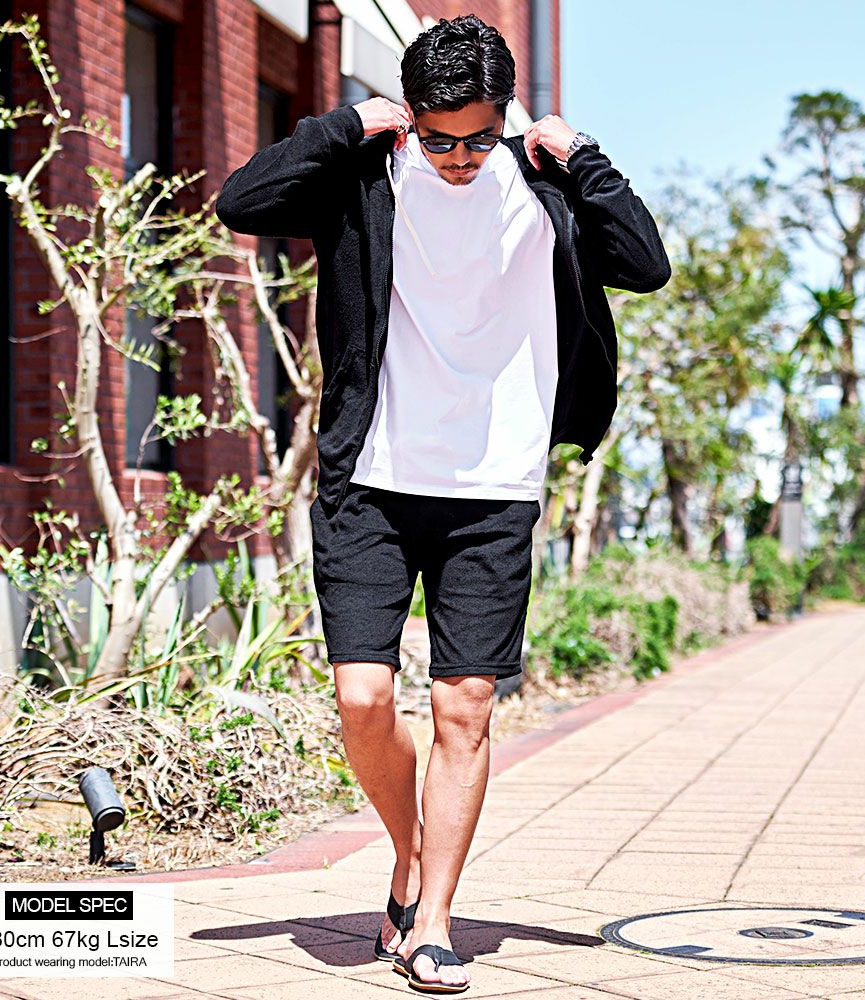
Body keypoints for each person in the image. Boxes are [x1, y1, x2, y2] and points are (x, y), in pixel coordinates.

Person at [216, 14, 669, 994]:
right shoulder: (366, 171)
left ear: (504, 117)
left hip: (492, 486)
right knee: (362, 699)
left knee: (465, 709)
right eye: (439, 138)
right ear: (411, 116)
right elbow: (239, 202)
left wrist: (584, 156)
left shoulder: (544, 182)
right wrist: (347, 123)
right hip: (371, 478)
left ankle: (431, 919)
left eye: (478, 137)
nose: (460, 158)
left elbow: (646, 263)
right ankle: (409, 849)